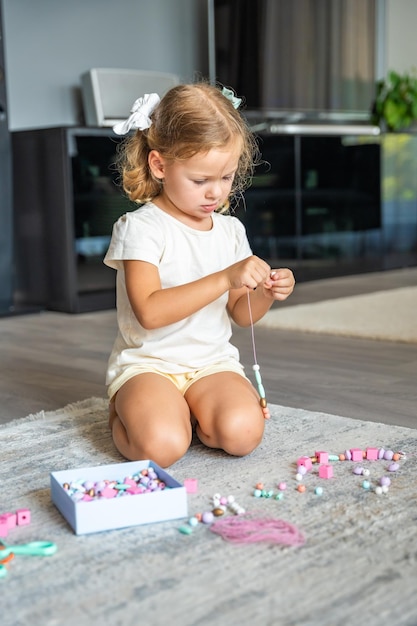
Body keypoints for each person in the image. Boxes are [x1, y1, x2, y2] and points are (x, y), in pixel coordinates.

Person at [104, 82, 295, 468]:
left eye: (225, 178)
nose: (215, 194)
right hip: (150, 365)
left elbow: (241, 314)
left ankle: (188, 411)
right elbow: (151, 313)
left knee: (244, 433)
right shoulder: (141, 228)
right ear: (160, 166)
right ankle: (126, 413)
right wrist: (225, 277)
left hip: (212, 364)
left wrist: (265, 293)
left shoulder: (230, 231)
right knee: (163, 447)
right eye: (200, 180)